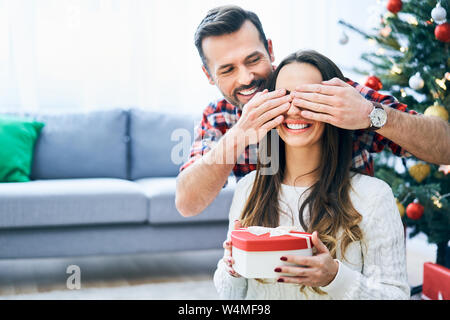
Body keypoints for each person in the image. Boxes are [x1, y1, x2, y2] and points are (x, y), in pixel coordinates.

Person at [175, 5, 450, 217]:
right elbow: (187, 203)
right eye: (227, 69)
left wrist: (370, 114)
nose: (246, 78)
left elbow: (445, 147)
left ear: (270, 50)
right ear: (209, 75)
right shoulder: (220, 116)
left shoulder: (332, 92)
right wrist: (239, 135)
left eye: (253, 59)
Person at [213, 50, 410, 300]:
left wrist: (334, 278)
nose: (294, 110)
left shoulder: (373, 196)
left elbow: (397, 296)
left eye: (310, 97)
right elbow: (230, 296)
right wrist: (232, 268)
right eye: (284, 97)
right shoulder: (249, 188)